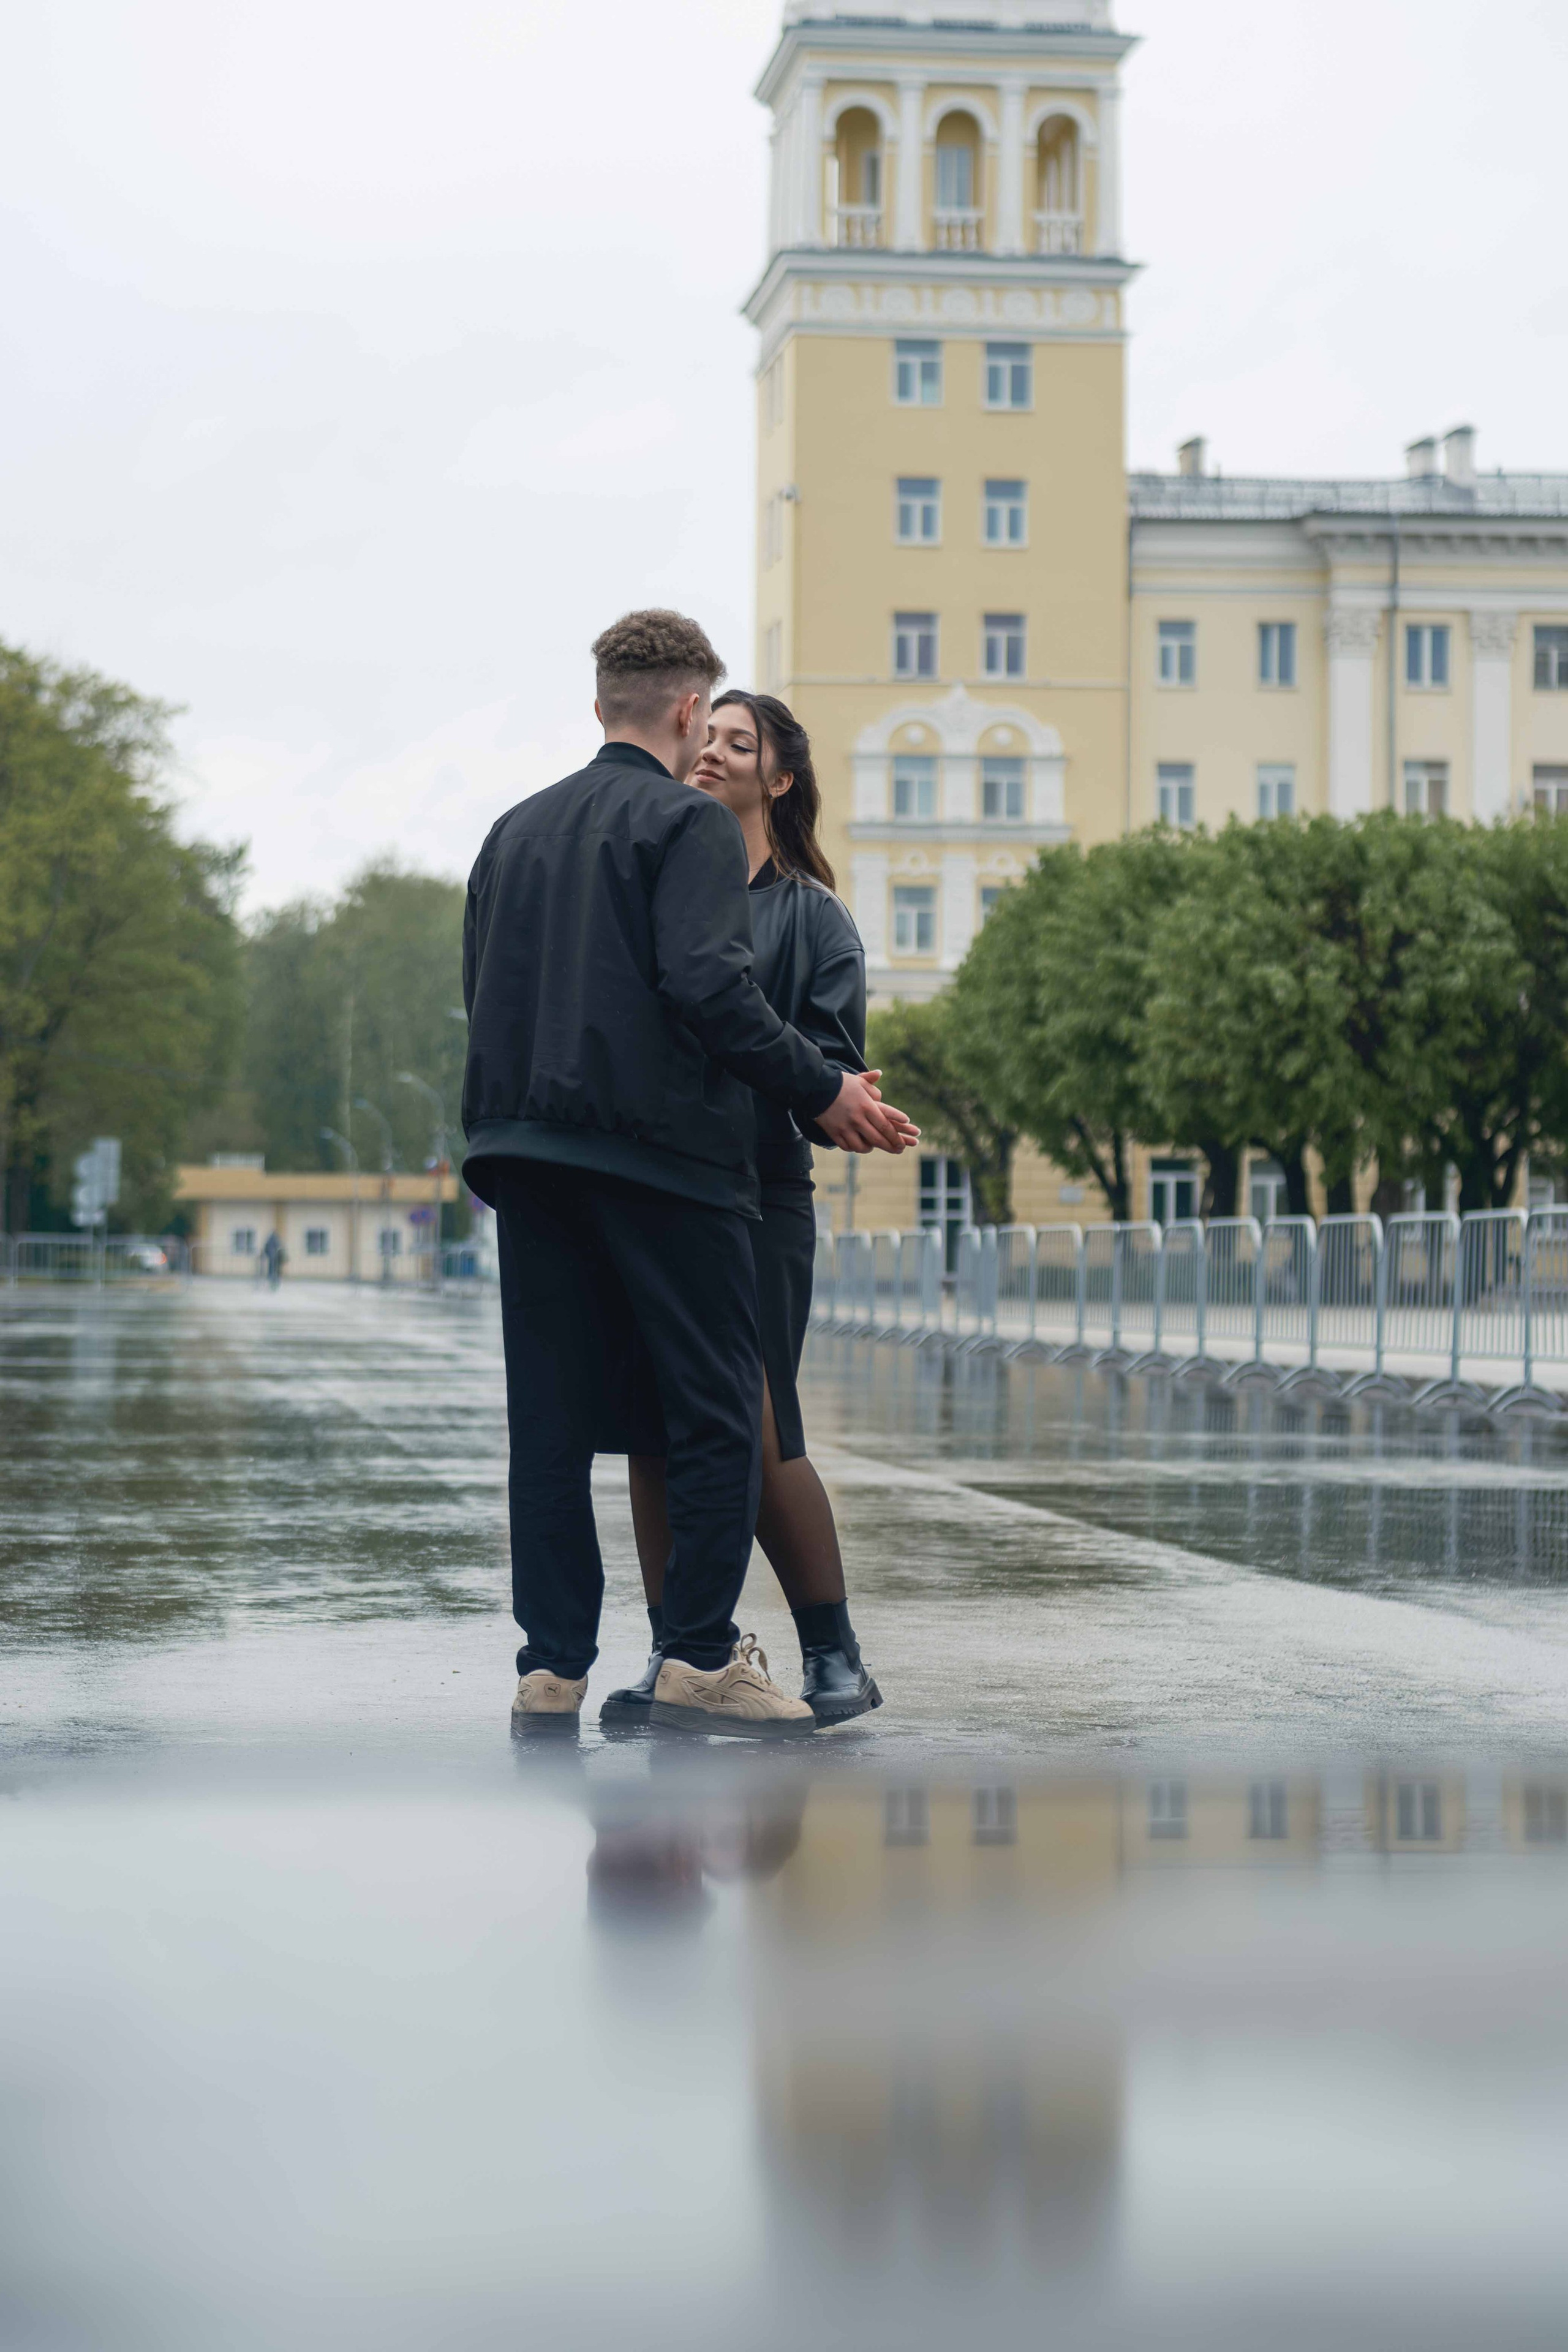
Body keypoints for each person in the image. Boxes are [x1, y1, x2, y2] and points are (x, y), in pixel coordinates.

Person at [461, 611, 919, 1738]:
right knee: (718, 1419)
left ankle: (552, 1666)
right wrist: (823, 1091)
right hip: (666, 1168)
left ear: (600, 701)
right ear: (680, 711)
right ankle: (702, 1660)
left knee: (555, 1427)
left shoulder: (513, 830)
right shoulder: (687, 828)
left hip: (525, 1159)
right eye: (704, 721)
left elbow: (486, 992)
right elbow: (710, 993)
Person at [603, 692, 881, 1728]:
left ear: (780, 779)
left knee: (757, 1433)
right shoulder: (652, 889)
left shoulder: (813, 917)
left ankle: (834, 1653)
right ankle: (682, 1654)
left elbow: (833, 1079)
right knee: (653, 1430)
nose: (712, 752)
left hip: (756, 1204)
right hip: (648, 1198)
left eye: (739, 742)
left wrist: (759, 1043)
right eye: (704, 737)